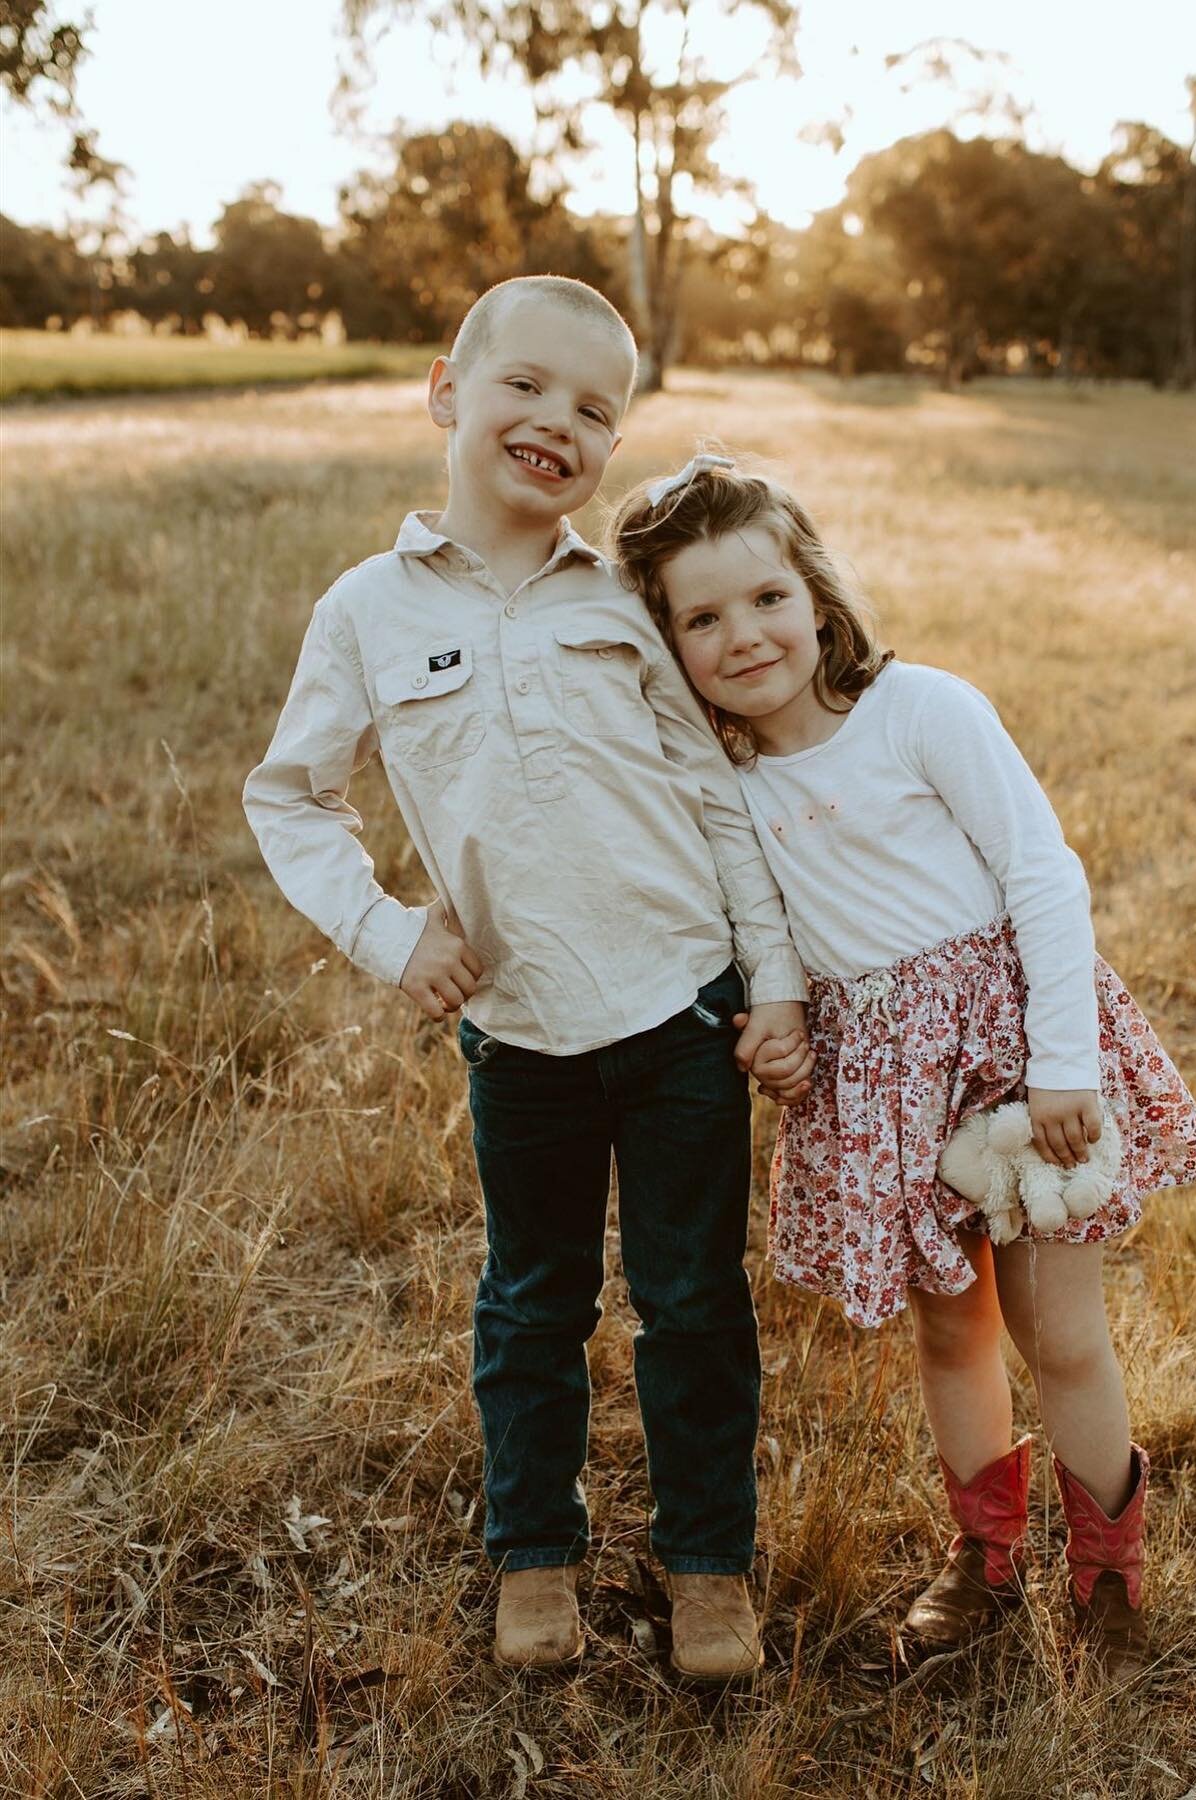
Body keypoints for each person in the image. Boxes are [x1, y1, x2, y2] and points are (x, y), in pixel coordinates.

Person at [243, 286, 812, 1685]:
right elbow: (293, 798)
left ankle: (705, 1568)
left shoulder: (624, 603)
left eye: (595, 407)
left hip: (684, 1011)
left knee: (693, 1303)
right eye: (529, 388)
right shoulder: (367, 612)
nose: (556, 421)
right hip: (521, 1028)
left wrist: (776, 979)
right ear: (448, 391)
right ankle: (534, 1557)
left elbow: (721, 797)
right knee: (532, 1303)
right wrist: (390, 935)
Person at [610, 454, 1196, 1678]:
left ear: (819, 597)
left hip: (1013, 1057)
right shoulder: (727, 781)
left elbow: (1043, 875)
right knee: (952, 1332)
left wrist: (1062, 1066)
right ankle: (984, 1557)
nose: (745, 636)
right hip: (882, 1081)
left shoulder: (923, 710)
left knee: (1058, 1333)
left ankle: (1107, 1572)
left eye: (768, 598)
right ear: (667, 643)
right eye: (703, 617)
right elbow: (762, 925)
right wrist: (778, 1016)